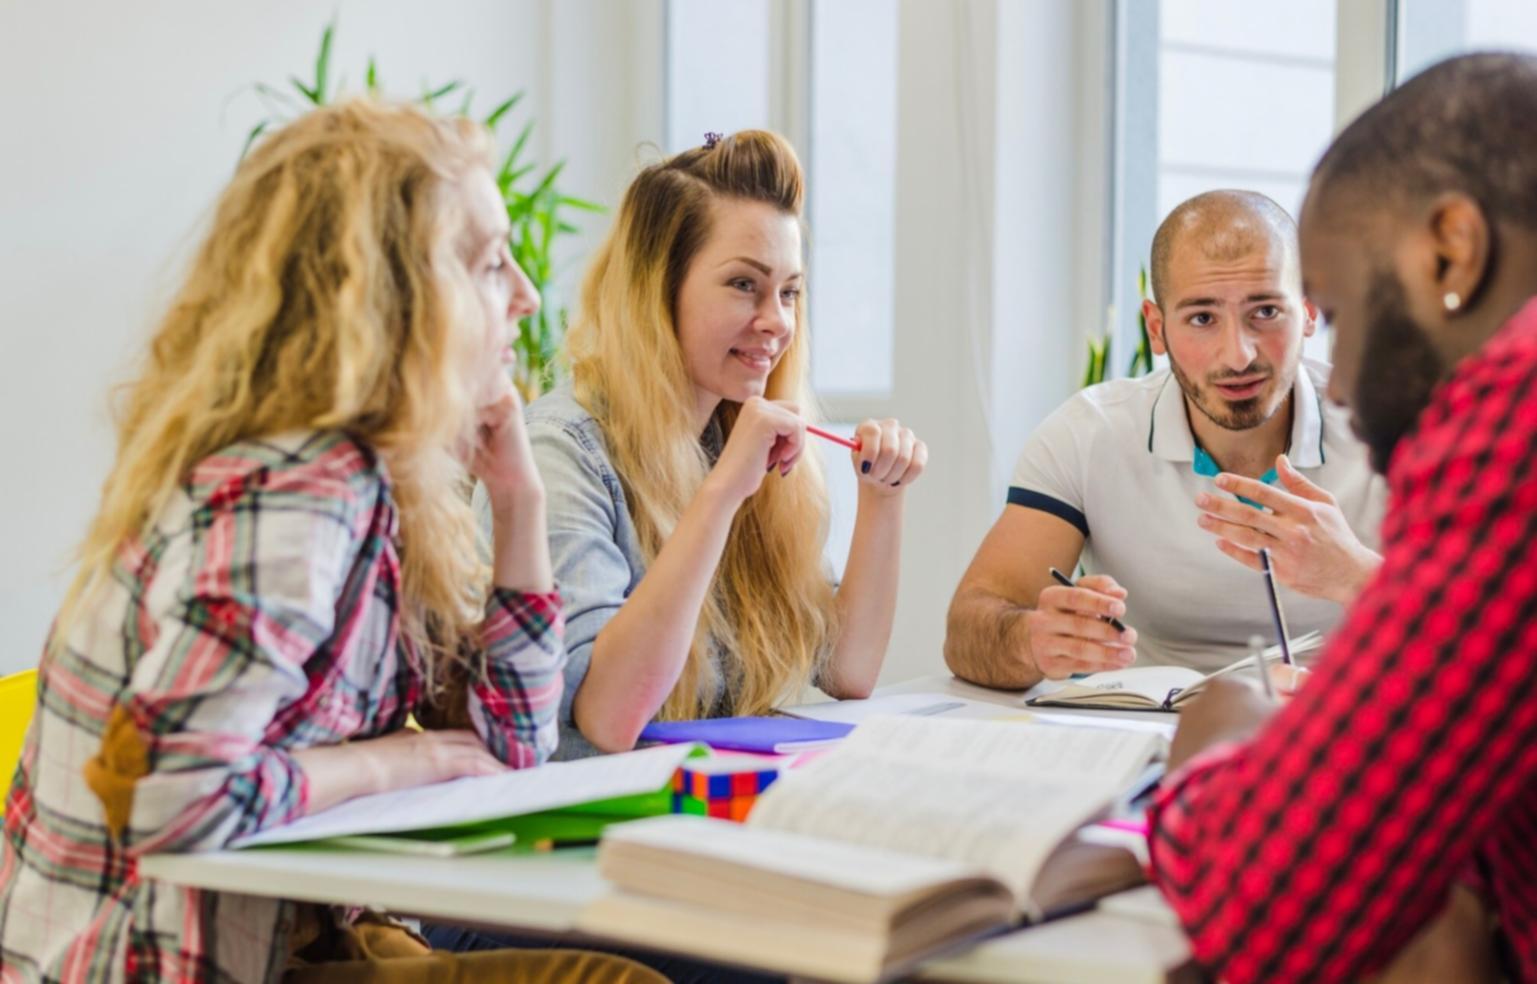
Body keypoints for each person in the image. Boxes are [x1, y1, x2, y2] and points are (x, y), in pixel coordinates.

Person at [0, 100, 659, 984]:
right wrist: (401, 757)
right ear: (394, 297)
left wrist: (518, 499)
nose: (527, 296)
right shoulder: (297, 494)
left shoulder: (391, 487)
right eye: (489, 263)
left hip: (285, 940)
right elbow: (172, 799)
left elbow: (512, 743)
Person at [1148, 52, 1537, 982]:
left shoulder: (1515, 409)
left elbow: (1267, 908)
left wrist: (1219, 736)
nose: (1346, 377)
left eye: (1341, 307)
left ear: (1449, 250)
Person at [521, 130, 927, 758]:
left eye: (789, 291)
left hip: (713, 807)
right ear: (658, 291)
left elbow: (848, 673)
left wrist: (883, 497)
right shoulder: (561, 452)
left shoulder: (731, 436)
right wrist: (722, 494)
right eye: (744, 285)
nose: (778, 322)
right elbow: (607, 719)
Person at [945, 190, 1385, 689]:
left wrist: (1356, 575)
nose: (1237, 355)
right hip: (1149, 739)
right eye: (1202, 318)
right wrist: (1031, 640)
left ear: (1308, 311)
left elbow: (1486, 629)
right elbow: (968, 627)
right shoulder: (1087, 435)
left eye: (1264, 312)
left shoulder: (1392, 432)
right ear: (1156, 329)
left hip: (1343, 734)